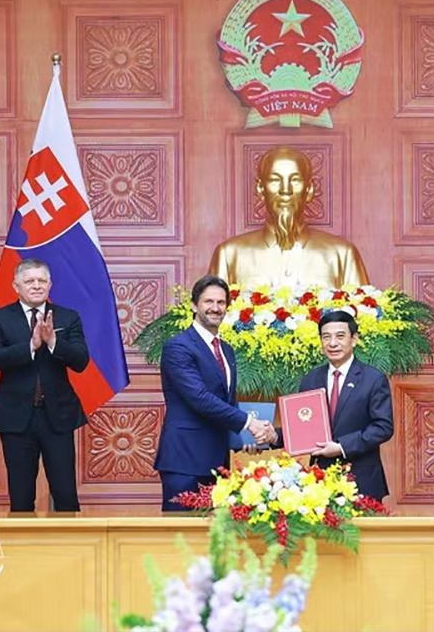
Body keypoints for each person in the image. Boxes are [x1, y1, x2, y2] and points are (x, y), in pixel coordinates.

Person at [154, 275, 275, 510]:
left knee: (217, 531)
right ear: (194, 305)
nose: (215, 308)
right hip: (185, 460)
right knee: (180, 530)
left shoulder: (226, 350)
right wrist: (250, 424)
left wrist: (245, 439)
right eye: (208, 301)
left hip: (219, 461)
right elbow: (200, 398)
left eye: (221, 303)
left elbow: (226, 402)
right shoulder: (178, 346)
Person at [0, 258, 89, 512]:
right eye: (30, 281)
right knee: (20, 498)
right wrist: (30, 346)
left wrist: (53, 342)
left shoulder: (67, 317)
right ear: (16, 286)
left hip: (58, 417)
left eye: (42, 281)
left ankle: (71, 539)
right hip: (16, 418)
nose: (37, 286)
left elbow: (81, 361)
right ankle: (21, 539)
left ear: (50, 285)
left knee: (66, 495)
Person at [267, 309, 393, 500]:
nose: (332, 343)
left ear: (354, 339)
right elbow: (303, 426)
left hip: (361, 480)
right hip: (320, 482)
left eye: (340, 336)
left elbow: (383, 427)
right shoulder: (311, 379)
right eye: (326, 337)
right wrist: (273, 436)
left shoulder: (373, 379)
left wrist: (341, 447)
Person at [208, 146, 369, 288]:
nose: (286, 190)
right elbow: (212, 309)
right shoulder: (229, 255)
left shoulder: (342, 254)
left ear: (309, 189)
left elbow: (362, 310)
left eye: (295, 180)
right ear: (260, 189)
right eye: (275, 180)